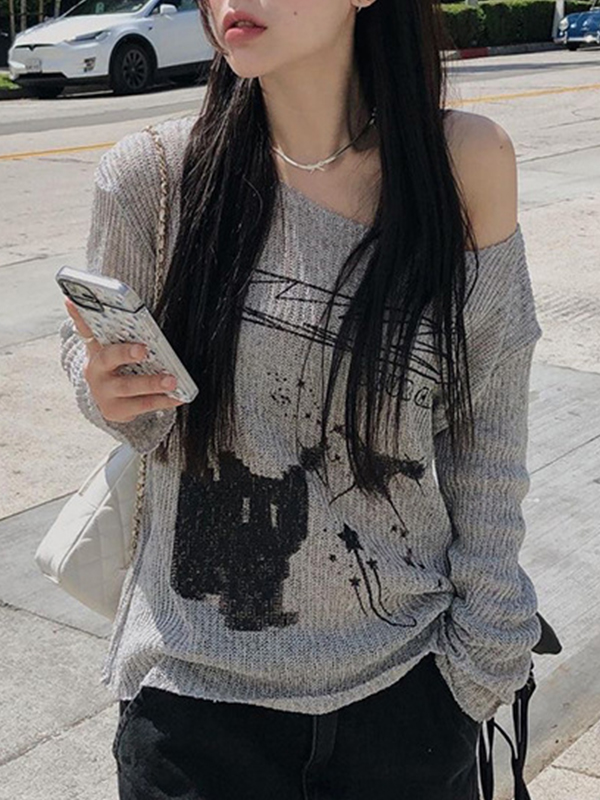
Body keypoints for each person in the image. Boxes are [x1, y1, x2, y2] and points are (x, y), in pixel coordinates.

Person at [59, 1, 545, 798]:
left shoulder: (463, 163)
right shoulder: (153, 176)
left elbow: (486, 426)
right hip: (194, 708)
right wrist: (105, 387)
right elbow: (142, 420)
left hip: (410, 697)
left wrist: (484, 657)